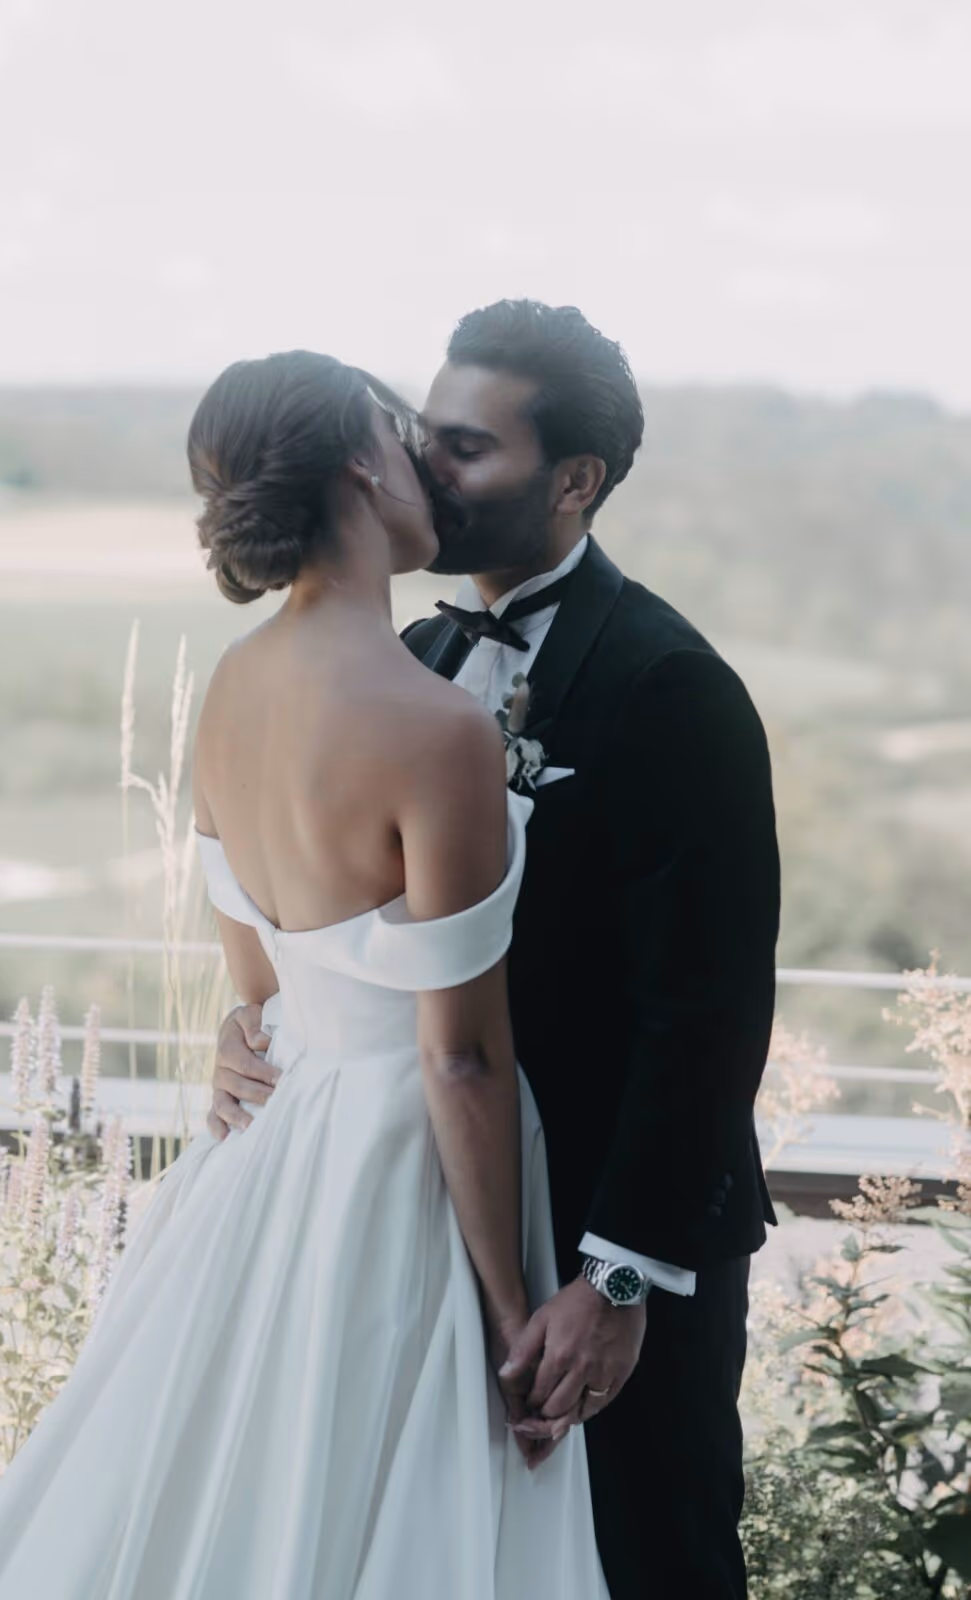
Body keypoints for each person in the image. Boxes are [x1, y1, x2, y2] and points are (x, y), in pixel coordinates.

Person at [0, 351, 609, 1599]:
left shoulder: (231, 687)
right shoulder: (435, 725)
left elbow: (253, 988)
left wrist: (246, 1035)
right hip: (401, 1171)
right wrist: (508, 1308)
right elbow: (455, 1051)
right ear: (358, 455)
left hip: (268, 1142)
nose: (425, 466)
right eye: (405, 435)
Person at [210, 302, 782, 1599]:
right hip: (425, 1238)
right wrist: (251, 1031)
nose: (424, 472)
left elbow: (705, 1016)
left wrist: (614, 1276)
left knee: (646, 1558)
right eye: (420, 439)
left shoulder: (667, 686)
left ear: (572, 481)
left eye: (465, 450)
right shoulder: (405, 661)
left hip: (599, 1241)